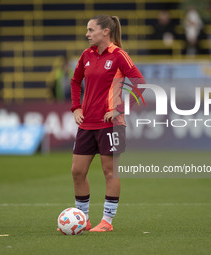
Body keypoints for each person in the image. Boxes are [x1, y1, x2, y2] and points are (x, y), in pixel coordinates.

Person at [68, 14, 145, 232]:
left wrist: (120, 109)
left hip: (111, 125)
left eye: (91, 30)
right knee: (77, 171)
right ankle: (82, 219)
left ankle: (107, 222)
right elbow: (75, 81)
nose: (87, 34)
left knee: (109, 172)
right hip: (86, 123)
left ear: (105, 32)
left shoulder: (119, 55)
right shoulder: (86, 55)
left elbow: (141, 85)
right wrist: (76, 108)